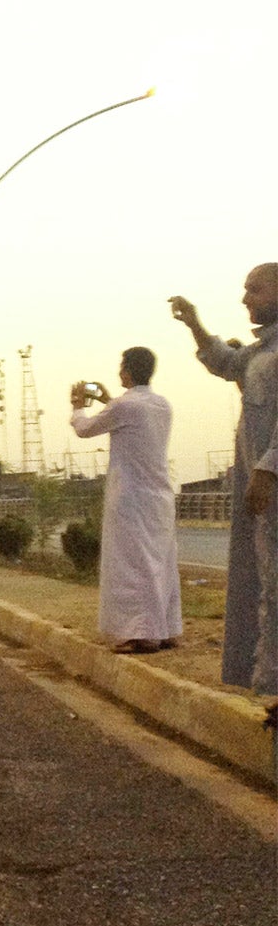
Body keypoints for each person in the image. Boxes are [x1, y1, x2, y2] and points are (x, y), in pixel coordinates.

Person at [171, 263, 278, 691]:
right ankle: (268, 683)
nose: (245, 299)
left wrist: (268, 467)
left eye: (255, 290)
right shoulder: (260, 353)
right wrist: (194, 323)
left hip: (269, 484)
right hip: (262, 498)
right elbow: (224, 362)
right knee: (265, 587)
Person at [70, 349, 180, 654]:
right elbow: (131, 420)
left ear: (128, 373)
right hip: (159, 496)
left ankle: (142, 633)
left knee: (133, 566)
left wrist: (78, 407)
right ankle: (166, 629)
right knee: (161, 563)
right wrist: (109, 401)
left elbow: (84, 429)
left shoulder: (124, 405)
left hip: (131, 497)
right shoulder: (161, 405)